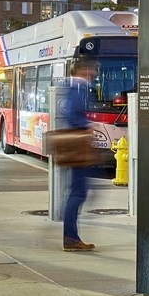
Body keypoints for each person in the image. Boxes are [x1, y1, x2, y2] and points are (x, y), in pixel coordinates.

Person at [61, 60, 96, 252]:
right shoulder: (77, 90)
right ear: (82, 70)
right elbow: (73, 116)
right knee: (78, 193)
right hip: (78, 147)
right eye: (90, 69)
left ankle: (72, 237)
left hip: (76, 147)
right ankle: (70, 238)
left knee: (77, 192)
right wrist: (87, 126)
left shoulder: (73, 88)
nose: (92, 73)